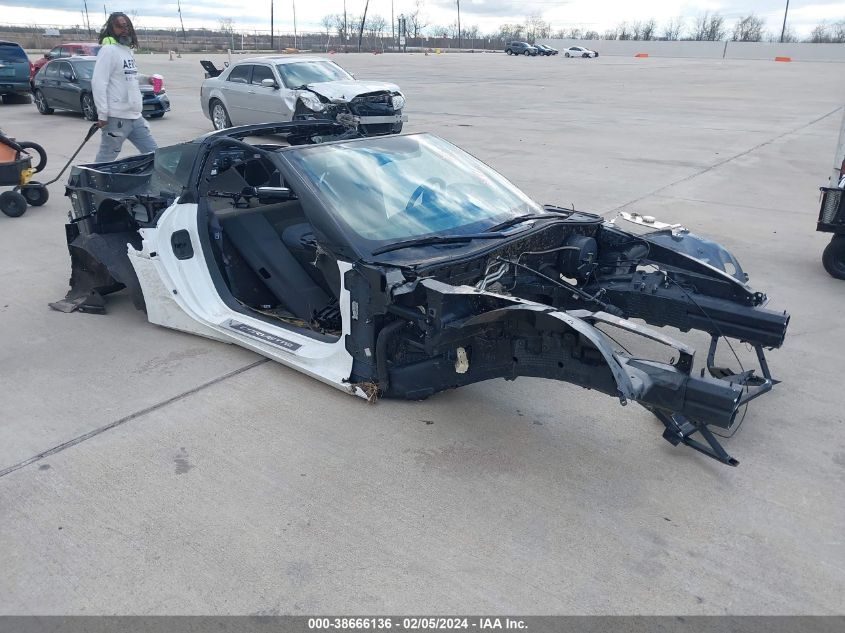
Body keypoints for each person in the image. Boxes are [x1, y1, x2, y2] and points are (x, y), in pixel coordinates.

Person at [91, 12, 158, 162]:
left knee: (154, 154)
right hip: (116, 118)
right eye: (119, 26)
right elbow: (99, 82)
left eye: (126, 25)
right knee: (106, 158)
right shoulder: (108, 51)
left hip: (135, 116)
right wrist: (102, 114)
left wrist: (147, 79)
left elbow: (129, 76)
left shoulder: (126, 51)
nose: (124, 29)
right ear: (111, 29)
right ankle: (95, 183)